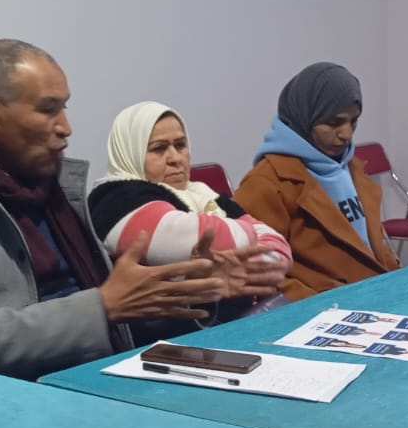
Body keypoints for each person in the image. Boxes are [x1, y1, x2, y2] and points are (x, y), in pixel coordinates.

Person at [0, 39, 255, 380]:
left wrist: (191, 291)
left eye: (65, 107)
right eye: (48, 109)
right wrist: (103, 306)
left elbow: (119, 318)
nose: (66, 127)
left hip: (104, 375)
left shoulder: (56, 187)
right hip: (16, 402)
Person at [87, 101, 293, 338]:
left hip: (237, 325)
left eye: (180, 145)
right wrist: (251, 234)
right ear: (129, 151)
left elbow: (279, 252)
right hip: (170, 340)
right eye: (158, 149)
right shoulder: (115, 200)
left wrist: (243, 259)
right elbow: (213, 236)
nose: (175, 158)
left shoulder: (201, 192)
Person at [233, 62, 400, 301]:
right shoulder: (267, 182)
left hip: (375, 297)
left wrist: (399, 282)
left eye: (353, 121)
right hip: (322, 310)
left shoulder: (350, 167)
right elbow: (257, 270)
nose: (346, 134)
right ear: (305, 117)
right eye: (333, 122)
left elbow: (371, 247)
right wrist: (315, 305)